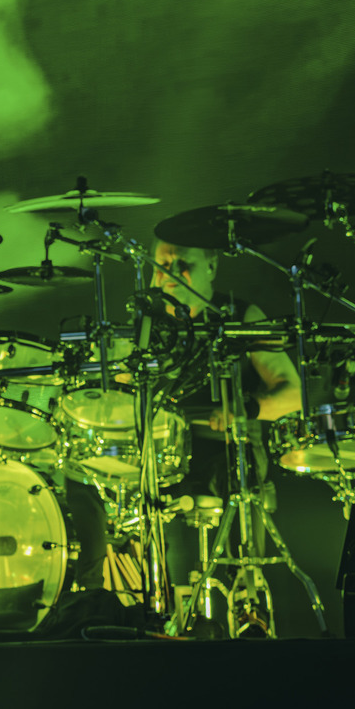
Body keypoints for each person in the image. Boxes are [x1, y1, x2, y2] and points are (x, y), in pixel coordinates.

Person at [67, 240, 303, 630]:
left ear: (212, 267)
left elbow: (293, 392)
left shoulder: (239, 315)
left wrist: (246, 408)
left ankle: (244, 602)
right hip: (157, 454)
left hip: (224, 450)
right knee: (81, 468)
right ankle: (88, 597)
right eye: (161, 264)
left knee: (234, 474)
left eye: (182, 264)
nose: (169, 274)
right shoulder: (145, 322)